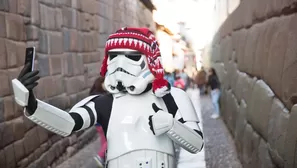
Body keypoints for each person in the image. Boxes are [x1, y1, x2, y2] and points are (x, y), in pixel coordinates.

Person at [11, 27, 204, 168]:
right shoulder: (105, 102)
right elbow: (68, 123)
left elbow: (196, 144)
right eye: (114, 57)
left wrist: (172, 126)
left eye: (132, 56)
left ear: (150, 60)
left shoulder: (171, 97)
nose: (121, 64)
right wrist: (31, 103)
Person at [89, 76, 107, 168]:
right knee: (109, 140)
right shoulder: (101, 96)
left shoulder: (93, 95)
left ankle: (105, 157)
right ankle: (100, 156)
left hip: (98, 122)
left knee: (104, 140)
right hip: (102, 121)